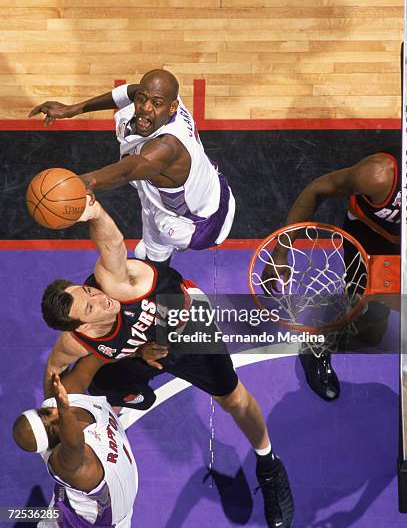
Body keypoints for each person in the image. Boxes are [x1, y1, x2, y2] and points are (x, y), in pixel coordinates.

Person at [41, 197, 294, 528]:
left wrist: (96, 212)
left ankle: (269, 463)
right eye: (90, 308)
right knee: (97, 382)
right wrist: (55, 424)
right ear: (81, 327)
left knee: (232, 398)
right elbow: (54, 372)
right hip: (143, 345)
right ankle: (124, 397)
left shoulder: (114, 284)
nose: (99, 299)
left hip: (183, 318)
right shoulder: (75, 342)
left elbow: (113, 243)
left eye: (87, 293)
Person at [29, 69, 235, 265]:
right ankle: (159, 273)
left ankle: (175, 277)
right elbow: (130, 91)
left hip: (203, 223)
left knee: (163, 229)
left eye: (156, 103)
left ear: (172, 107)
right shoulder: (166, 99)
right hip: (206, 183)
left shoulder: (168, 146)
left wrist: (87, 181)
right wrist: (73, 109)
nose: (146, 107)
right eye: (142, 99)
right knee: (151, 254)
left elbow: (130, 169)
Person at [262, 150, 401, 402]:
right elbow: (317, 190)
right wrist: (280, 252)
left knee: (374, 324)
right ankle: (316, 345)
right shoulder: (378, 175)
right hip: (371, 240)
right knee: (366, 313)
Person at [13, 365, 138, 527]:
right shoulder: (64, 463)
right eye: (54, 422)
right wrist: (64, 409)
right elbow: (75, 445)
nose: (53, 411)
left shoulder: (60, 402)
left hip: (105, 510)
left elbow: (63, 363)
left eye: (44, 412)